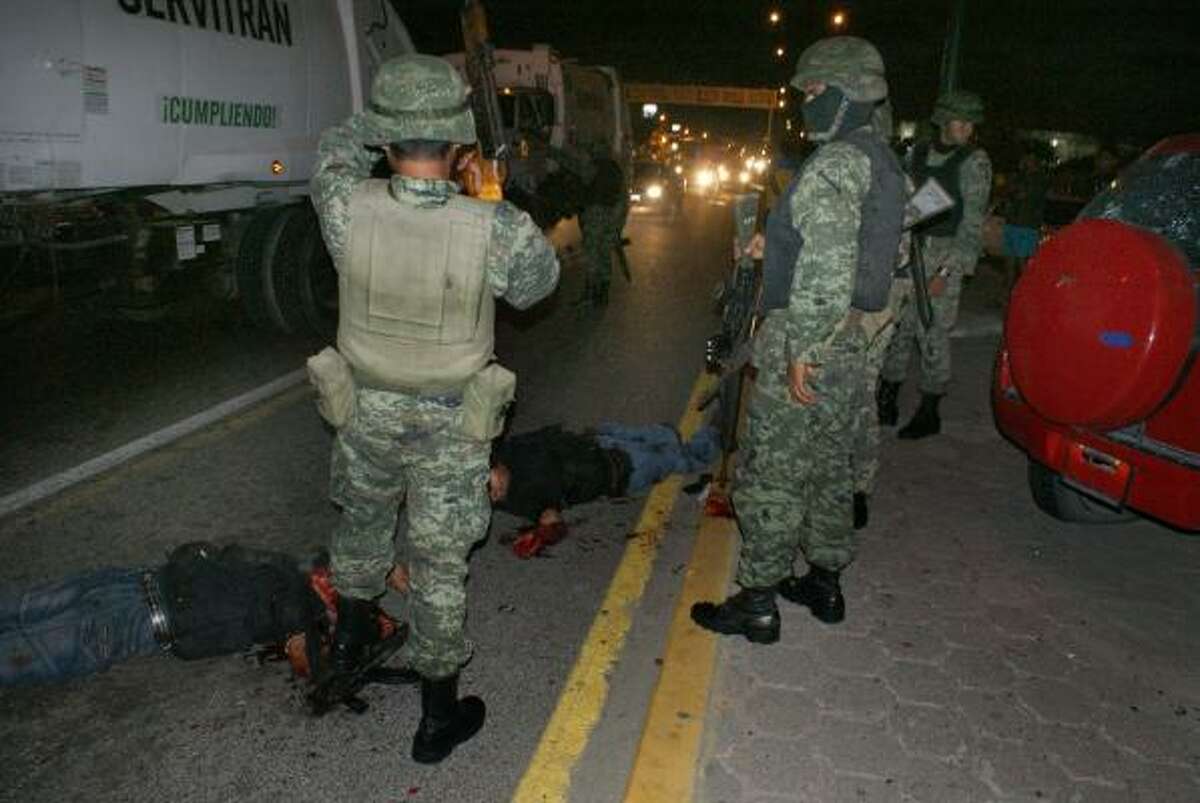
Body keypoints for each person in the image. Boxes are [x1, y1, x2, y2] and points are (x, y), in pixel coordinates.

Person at [309, 54, 559, 763]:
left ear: (386, 142)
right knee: (441, 562)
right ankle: (436, 719)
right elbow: (540, 284)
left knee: (361, 524)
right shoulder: (494, 226)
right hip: (452, 424)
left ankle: (353, 638)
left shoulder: (343, 205)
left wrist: (376, 122)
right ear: (459, 147)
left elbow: (332, 148)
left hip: (364, 413)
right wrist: (482, 194)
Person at [691, 36, 905, 643]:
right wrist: (772, 247)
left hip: (811, 336)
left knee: (772, 473)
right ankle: (824, 580)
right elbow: (862, 249)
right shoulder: (879, 158)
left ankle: (756, 600)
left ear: (846, 93)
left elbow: (831, 264)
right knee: (830, 468)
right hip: (851, 342)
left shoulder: (835, 163)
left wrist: (802, 347)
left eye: (815, 92)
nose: (806, 103)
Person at [0, 543, 321, 687]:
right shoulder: (298, 608)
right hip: (131, 624)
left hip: (132, 580)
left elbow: (211, 551)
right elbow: (304, 663)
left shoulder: (280, 564)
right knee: (20, 656)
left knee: (21, 605)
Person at [877, 90, 993, 439]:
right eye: (961, 121)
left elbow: (972, 226)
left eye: (971, 123)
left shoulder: (974, 162)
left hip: (944, 253)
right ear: (943, 120)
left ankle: (930, 411)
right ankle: (888, 397)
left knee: (933, 334)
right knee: (898, 328)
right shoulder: (921, 152)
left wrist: (947, 271)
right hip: (911, 248)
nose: (967, 129)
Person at [488, 422, 720, 526]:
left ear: (493, 465)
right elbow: (544, 512)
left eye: (490, 486)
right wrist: (547, 522)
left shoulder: (507, 451)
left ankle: (665, 436)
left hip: (603, 441)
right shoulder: (517, 499)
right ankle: (715, 432)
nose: (495, 495)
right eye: (490, 498)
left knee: (652, 439)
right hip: (623, 470)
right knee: (679, 459)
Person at [577, 142, 628, 307]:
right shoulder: (616, 170)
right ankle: (603, 295)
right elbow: (622, 198)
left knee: (592, 254)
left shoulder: (594, 167)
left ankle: (590, 293)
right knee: (605, 255)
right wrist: (618, 224)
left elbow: (583, 179)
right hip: (610, 216)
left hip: (594, 214)